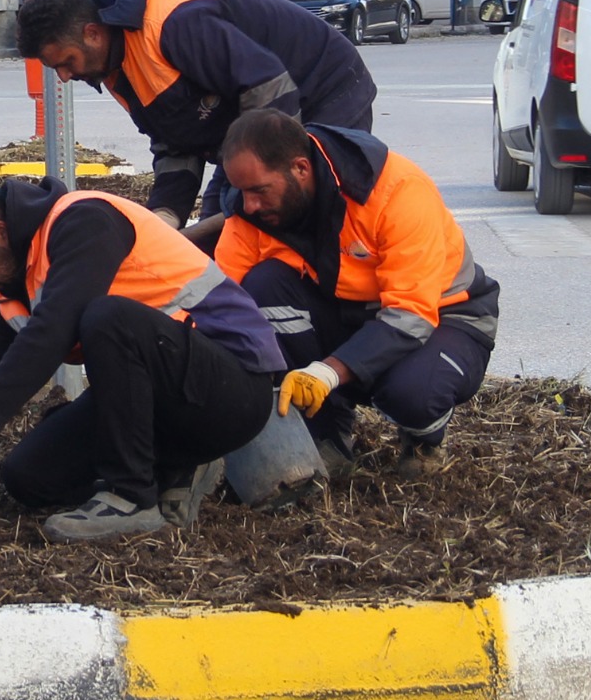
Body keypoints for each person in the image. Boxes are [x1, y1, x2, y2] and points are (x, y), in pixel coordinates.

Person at [0, 176, 284, 542]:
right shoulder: (14, 292)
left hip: (233, 389)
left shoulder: (85, 220)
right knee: (28, 475)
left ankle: (131, 496)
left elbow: (54, 327)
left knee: (107, 318)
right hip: (163, 404)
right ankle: (172, 471)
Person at [212, 109, 500, 476]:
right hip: (352, 313)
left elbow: (411, 313)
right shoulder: (252, 213)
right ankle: (325, 436)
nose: (248, 205)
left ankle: (423, 439)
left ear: (300, 169)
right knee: (264, 284)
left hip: (446, 316)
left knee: (411, 395)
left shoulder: (396, 190)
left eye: (259, 190)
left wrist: (328, 372)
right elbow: (219, 300)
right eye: (242, 192)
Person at [15, 0, 376, 224]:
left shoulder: (172, 20)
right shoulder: (114, 63)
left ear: (92, 33)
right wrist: (164, 217)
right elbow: (176, 141)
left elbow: (267, 87)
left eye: (66, 62)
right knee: (221, 227)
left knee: (291, 213)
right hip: (254, 117)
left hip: (325, 87)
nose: (64, 76)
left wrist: (259, 183)